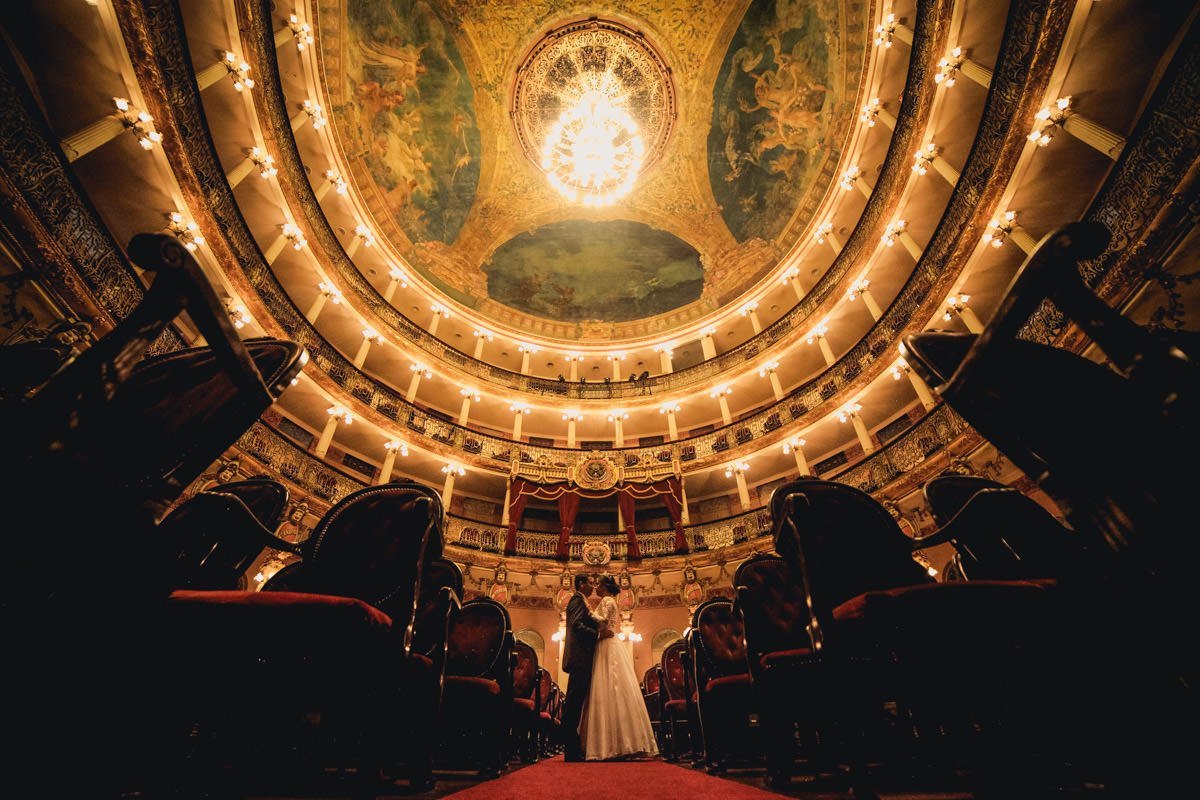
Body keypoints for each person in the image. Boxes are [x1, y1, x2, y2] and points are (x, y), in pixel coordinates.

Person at [579, 575, 659, 761]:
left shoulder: (607, 600)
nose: (596, 588)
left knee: (608, 685)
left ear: (606, 587)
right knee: (611, 688)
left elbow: (603, 619)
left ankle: (611, 744)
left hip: (606, 644)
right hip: (607, 642)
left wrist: (588, 611)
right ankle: (620, 742)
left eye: (599, 584)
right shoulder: (609, 600)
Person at [561, 573, 612, 762]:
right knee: (573, 704)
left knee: (576, 703)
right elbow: (577, 625)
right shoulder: (577, 600)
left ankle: (573, 747)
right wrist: (597, 635)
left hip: (581, 659)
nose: (593, 586)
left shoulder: (581, 601)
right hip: (579, 659)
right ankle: (570, 749)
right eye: (590, 583)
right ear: (581, 584)